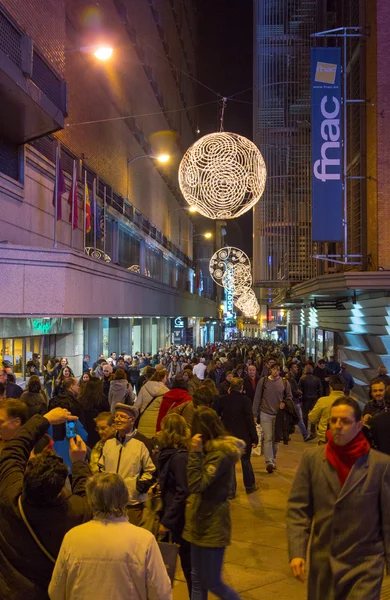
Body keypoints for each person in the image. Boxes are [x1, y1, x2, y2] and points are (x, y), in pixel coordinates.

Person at [287, 396, 390, 600]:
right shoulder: (313, 459)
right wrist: (297, 551)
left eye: (345, 421)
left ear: (359, 425)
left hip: (365, 566)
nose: (337, 426)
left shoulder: (380, 465)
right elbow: (298, 508)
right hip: (324, 565)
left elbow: (388, 520)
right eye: (334, 421)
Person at [0, 407, 91, 600]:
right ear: (60, 489)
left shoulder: (9, 496)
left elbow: (14, 449)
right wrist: (79, 462)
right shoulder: (75, 512)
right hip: (47, 592)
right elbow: (84, 493)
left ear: (25, 478)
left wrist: (45, 419)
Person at [48, 472, 171, 600]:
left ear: (91, 500)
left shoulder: (72, 538)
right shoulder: (144, 540)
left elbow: (55, 591)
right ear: (125, 498)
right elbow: (161, 593)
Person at [182, 406, 244, 599]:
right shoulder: (209, 451)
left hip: (213, 523)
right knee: (197, 579)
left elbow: (196, 484)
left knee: (213, 582)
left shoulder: (220, 454)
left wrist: (195, 454)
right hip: (197, 520)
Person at [100, 403, 155, 525]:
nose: (118, 419)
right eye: (117, 416)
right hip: (109, 502)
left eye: (123, 417)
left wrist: (138, 487)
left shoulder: (142, 443)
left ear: (132, 420)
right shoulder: (109, 443)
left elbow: (151, 470)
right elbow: (101, 468)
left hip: (132, 503)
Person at [158, 413, 192, 596]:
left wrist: (167, 520)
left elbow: (182, 490)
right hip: (173, 516)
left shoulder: (178, 458)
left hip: (179, 520)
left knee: (188, 565)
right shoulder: (169, 454)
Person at [218, 377, 258, 494]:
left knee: (230, 464)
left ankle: (231, 491)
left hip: (228, 435)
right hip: (243, 435)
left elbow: (218, 416)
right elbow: (249, 420)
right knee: (245, 461)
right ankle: (249, 486)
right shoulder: (245, 401)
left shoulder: (223, 400)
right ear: (241, 387)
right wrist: (254, 437)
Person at [252, 361, 292, 473]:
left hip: (279, 415)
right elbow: (257, 398)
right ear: (270, 370)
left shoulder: (285, 383)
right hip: (265, 413)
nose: (276, 371)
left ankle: (273, 460)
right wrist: (254, 414)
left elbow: (289, 397)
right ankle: (269, 462)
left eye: (278, 370)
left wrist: (285, 403)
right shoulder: (263, 381)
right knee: (268, 438)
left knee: (276, 440)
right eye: (274, 369)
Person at [308, 375, 346, 444]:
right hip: (344, 441)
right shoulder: (351, 403)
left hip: (325, 439)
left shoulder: (323, 401)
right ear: (344, 389)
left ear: (330, 388)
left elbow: (312, 418)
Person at [135, 370, 169, 438]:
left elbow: (137, 405)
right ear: (162, 378)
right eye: (166, 377)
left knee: (143, 441)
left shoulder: (144, 387)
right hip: (157, 421)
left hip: (144, 419)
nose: (166, 379)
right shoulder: (166, 391)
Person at [79, 378, 110, 447]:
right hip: (98, 429)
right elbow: (107, 414)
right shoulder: (102, 398)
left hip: (84, 429)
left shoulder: (81, 399)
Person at [285, 362, 309, 442]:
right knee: (299, 419)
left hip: (292, 401)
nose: (297, 369)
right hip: (294, 401)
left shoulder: (291, 377)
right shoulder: (290, 379)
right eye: (295, 367)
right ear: (290, 369)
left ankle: (286, 435)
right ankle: (305, 435)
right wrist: (300, 392)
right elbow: (293, 391)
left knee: (291, 419)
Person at [298, 364, 323, 431]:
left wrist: (300, 399)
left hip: (305, 399)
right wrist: (319, 398)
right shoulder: (317, 379)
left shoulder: (302, 378)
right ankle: (312, 429)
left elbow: (299, 390)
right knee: (313, 415)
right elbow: (320, 389)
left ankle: (305, 429)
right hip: (314, 398)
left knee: (305, 415)